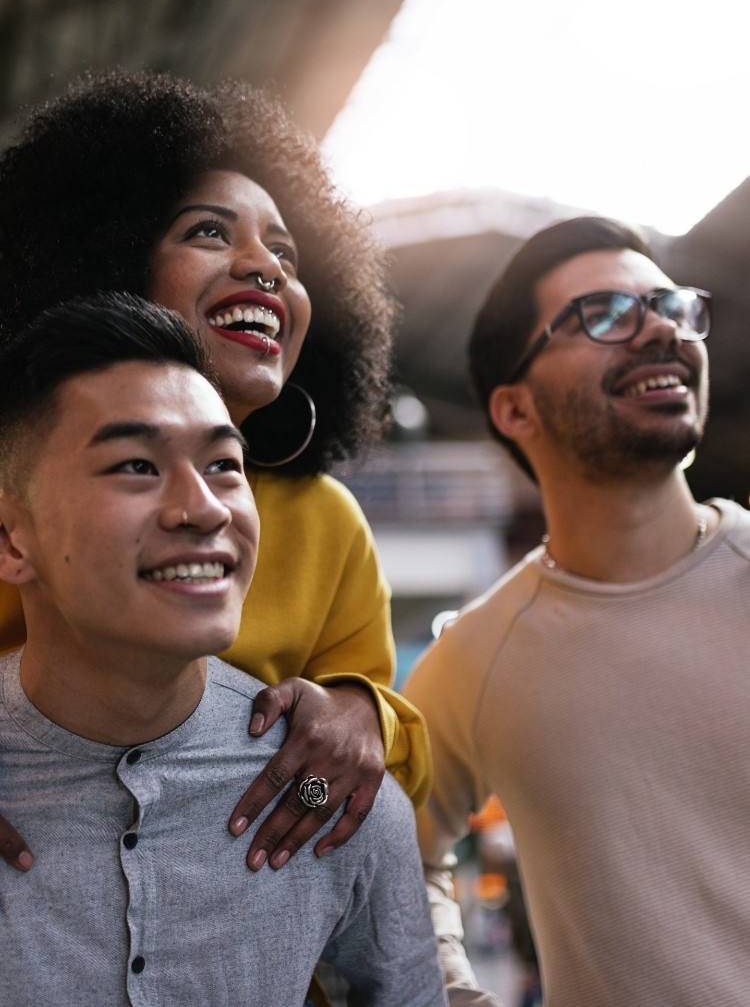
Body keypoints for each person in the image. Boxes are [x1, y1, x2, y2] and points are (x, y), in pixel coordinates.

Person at [0, 69, 430, 880]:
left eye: (287, 252)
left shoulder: (326, 521)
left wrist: (358, 718)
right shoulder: (16, 479)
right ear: (108, 263)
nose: (264, 266)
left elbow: (394, 765)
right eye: (209, 232)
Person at [0, 291, 447, 1007]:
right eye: (136, 466)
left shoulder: (317, 789)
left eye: (223, 465)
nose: (204, 508)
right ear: (10, 537)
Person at [404, 215, 750, 1006]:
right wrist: (456, 995)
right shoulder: (477, 661)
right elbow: (393, 854)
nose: (661, 328)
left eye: (671, 306)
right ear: (514, 410)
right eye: (605, 313)